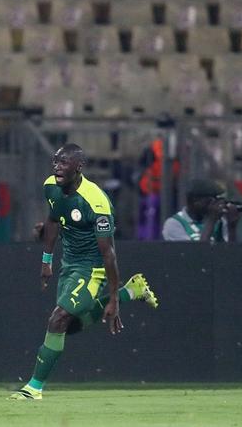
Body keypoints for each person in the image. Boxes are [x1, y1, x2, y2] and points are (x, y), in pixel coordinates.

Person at [8, 144, 159, 401]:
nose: (57, 167)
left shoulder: (97, 203)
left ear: (78, 167)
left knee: (58, 318)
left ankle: (34, 388)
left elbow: (108, 254)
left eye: (64, 163)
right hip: (70, 264)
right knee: (69, 326)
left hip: (93, 269)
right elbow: (54, 219)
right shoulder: (51, 186)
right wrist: (46, 260)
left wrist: (111, 298)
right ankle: (130, 292)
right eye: (55, 162)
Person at [161, 179, 242, 242]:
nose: (215, 205)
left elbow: (231, 253)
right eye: (210, 201)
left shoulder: (220, 222)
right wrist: (211, 220)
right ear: (195, 201)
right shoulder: (175, 223)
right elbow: (196, 256)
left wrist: (232, 227)